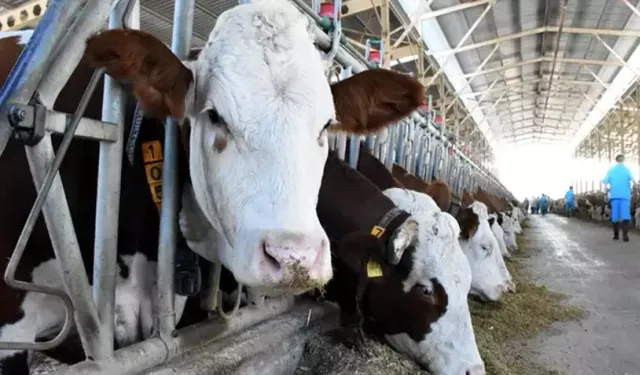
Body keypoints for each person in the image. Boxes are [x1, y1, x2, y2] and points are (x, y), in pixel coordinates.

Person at [602, 154, 636, 242]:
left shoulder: (611, 170)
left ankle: (616, 235)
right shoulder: (626, 169)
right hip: (625, 196)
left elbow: (605, 182)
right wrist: (636, 186)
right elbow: (633, 180)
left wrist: (606, 192)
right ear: (623, 160)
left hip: (614, 196)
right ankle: (625, 235)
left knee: (615, 216)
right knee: (625, 215)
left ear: (616, 160)